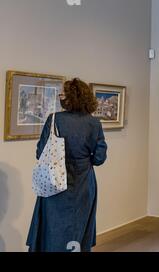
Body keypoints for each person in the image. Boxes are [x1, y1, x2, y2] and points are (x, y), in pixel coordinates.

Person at [26, 78, 107, 252]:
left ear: (71, 97)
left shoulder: (54, 119)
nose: (60, 96)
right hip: (84, 183)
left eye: (63, 93)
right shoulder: (94, 123)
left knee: (53, 230)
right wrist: (84, 161)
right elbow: (100, 158)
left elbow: (41, 153)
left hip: (55, 183)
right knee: (79, 227)